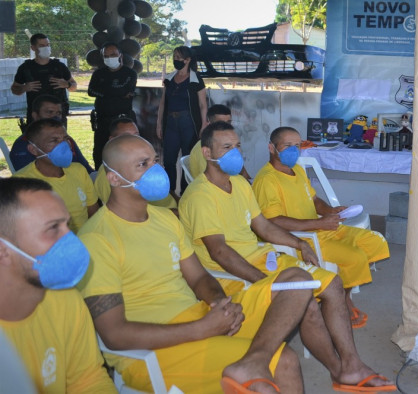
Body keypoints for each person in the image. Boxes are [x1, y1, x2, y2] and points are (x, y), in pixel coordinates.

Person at [77, 134, 315, 393]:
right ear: (113, 178)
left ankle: (254, 360)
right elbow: (115, 335)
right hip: (154, 350)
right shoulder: (96, 239)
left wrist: (219, 303)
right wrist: (202, 329)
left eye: (155, 162)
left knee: (297, 281)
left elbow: (199, 278)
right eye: (142, 165)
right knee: (283, 362)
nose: (155, 170)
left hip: (198, 316)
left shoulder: (165, 219)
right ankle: (254, 362)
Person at [180, 121, 396, 392]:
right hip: (234, 274)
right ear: (207, 154)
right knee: (306, 301)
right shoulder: (200, 196)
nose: (235, 153)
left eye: (237, 146)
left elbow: (264, 227)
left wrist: (298, 244)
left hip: (263, 258)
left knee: (332, 285)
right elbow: (219, 252)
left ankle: (350, 365)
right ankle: (343, 370)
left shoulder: (239, 184)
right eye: (226, 147)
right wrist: (263, 282)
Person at [253, 126, 391, 328]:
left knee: (375, 241)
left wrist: (330, 211)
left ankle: (341, 291)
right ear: (271, 148)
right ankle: (343, 301)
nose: (294, 150)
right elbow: (273, 222)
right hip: (299, 238)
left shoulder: (297, 169)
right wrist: (319, 223)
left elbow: (314, 199)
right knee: (355, 257)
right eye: (287, 146)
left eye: (298, 145)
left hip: (320, 228)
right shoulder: (267, 180)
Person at [0, 177, 116, 393]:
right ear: (3, 250)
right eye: (53, 228)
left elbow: (87, 379)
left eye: (67, 225)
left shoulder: (64, 298)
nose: (71, 239)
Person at [13, 119, 99, 232]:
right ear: (33, 150)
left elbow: (93, 212)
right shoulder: (21, 183)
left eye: (65, 139)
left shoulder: (79, 170)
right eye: (54, 140)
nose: (64, 145)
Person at [93, 117, 177, 210]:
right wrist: (174, 214)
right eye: (127, 136)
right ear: (112, 140)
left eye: (137, 135)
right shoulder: (109, 175)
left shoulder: (146, 161)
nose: (135, 140)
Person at [156, 45, 208, 197]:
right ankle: (170, 193)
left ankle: (186, 193)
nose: (176, 60)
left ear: (188, 60)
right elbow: (162, 103)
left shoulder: (196, 79)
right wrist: (159, 124)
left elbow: (203, 104)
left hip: (189, 123)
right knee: (169, 160)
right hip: (170, 123)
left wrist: (204, 124)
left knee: (188, 160)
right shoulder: (169, 79)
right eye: (174, 57)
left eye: (179, 58)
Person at [9, 94, 93, 173]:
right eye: (50, 112)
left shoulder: (67, 140)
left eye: (58, 113)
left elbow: (87, 170)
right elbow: (27, 178)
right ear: (35, 116)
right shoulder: (23, 145)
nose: (55, 117)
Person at [87, 42, 137, 169]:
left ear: (120, 55)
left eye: (113, 54)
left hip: (122, 121)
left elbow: (126, 90)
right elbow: (91, 91)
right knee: (99, 152)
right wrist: (117, 92)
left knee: (124, 152)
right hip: (102, 120)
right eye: (106, 56)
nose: (110, 58)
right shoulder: (98, 73)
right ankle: (99, 179)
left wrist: (104, 91)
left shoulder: (130, 73)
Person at [11, 33, 77, 123]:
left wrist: (67, 84)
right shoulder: (25, 68)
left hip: (58, 116)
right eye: (42, 46)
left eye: (48, 45)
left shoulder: (59, 66)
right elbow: (14, 89)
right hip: (36, 116)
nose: (46, 48)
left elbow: (74, 86)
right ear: (33, 48)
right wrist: (24, 88)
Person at [187, 103, 251, 180]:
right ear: (209, 123)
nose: (226, 127)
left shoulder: (230, 144)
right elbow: (211, 179)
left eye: (228, 122)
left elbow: (244, 174)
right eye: (220, 123)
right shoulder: (204, 148)